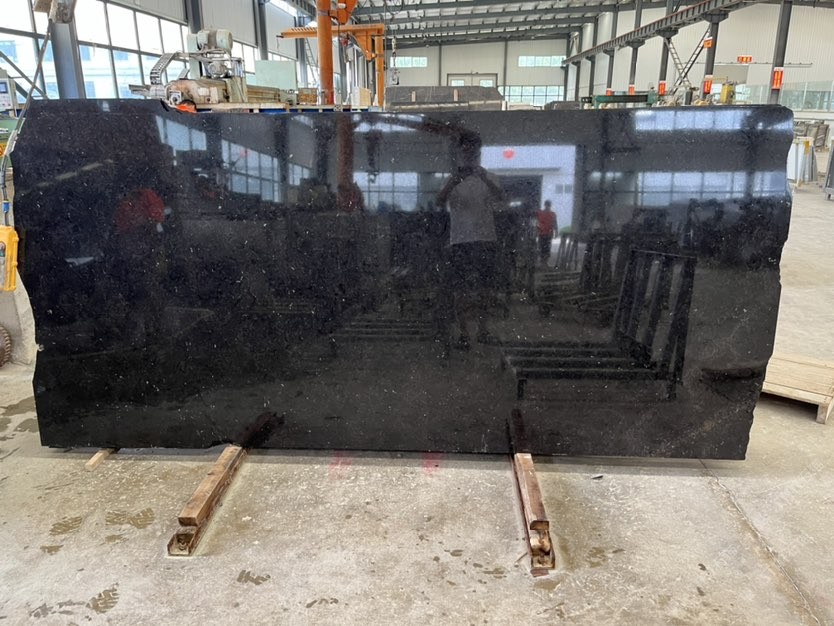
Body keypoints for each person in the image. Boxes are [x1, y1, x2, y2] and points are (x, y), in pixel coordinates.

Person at [436, 136, 505, 351]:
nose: (470, 156)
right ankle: (465, 334)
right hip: (461, 240)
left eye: (473, 152)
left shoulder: (490, 177)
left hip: (485, 239)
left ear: (478, 154)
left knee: (485, 289)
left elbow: (502, 198)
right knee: (461, 290)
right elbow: (439, 201)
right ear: (460, 154)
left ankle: (483, 331)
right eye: (466, 152)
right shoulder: (452, 180)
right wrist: (454, 182)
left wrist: (484, 178)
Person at [536, 199, 557, 266]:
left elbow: (554, 223)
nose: (547, 206)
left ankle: (544, 261)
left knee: (544, 247)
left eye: (548, 205)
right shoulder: (541, 213)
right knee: (544, 247)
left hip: (546, 233)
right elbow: (537, 222)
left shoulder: (542, 213)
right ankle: (543, 261)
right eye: (547, 205)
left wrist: (556, 231)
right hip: (544, 233)